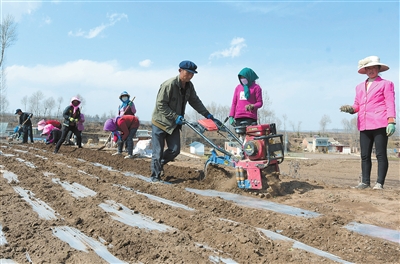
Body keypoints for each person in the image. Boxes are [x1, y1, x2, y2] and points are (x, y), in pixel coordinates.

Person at [150, 60, 214, 182]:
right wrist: (175, 116)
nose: (190, 76)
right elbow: (160, 105)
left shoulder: (189, 86)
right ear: (180, 71)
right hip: (160, 122)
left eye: (192, 74)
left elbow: (195, 101)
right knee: (157, 152)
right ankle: (155, 177)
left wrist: (207, 114)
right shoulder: (168, 85)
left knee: (175, 150)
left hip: (173, 124)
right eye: (188, 73)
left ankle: (158, 164)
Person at [340, 56, 396, 190]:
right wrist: (351, 109)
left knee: (380, 154)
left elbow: (390, 103)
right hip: (364, 124)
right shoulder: (359, 87)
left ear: (378, 69)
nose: (371, 70)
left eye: (373, 68)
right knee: (364, 155)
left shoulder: (386, 84)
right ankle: (365, 182)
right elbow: (357, 105)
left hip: (380, 123)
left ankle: (379, 183)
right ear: (365, 70)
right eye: (368, 68)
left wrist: (391, 121)